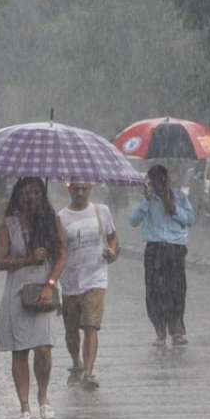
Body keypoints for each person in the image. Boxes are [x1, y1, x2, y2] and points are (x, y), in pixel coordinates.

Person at [0, 177, 67, 419]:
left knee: (44, 348)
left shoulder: (51, 221)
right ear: (18, 195)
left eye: (37, 192)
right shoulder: (8, 224)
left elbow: (62, 256)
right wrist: (27, 259)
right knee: (20, 351)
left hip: (43, 288)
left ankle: (43, 397)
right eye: (27, 193)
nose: (32, 197)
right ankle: (24, 406)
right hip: (17, 291)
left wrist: (50, 284)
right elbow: (0, 261)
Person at [58, 183, 119, 389]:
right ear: (69, 189)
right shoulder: (61, 217)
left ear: (90, 188)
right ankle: (77, 363)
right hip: (70, 281)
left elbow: (112, 238)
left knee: (91, 325)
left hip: (96, 277)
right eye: (76, 189)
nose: (80, 193)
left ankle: (89, 372)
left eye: (84, 188)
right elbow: (58, 251)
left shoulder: (102, 211)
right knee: (72, 332)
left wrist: (112, 252)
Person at [130, 164, 195, 346]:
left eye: (161, 182)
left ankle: (176, 330)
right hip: (154, 249)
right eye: (154, 182)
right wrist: (147, 202)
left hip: (175, 249)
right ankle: (160, 331)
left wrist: (172, 207)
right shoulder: (148, 201)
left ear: (167, 181)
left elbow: (189, 220)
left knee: (176, 290)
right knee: (154, 291)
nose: (158, 186)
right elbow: (133, 221)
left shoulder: (180, 197)